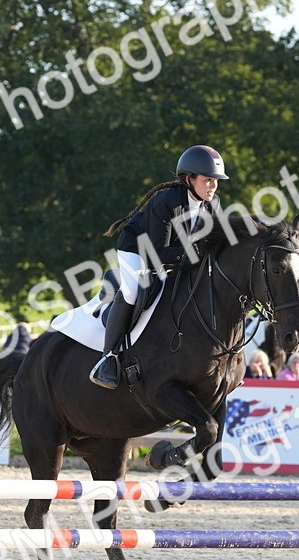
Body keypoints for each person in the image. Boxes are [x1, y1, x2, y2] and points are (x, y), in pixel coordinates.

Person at [90, 144, 226, 388]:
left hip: (175, 253)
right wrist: (195, 253)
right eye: (207, 180)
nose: (213, 185)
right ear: (189, 179)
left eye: (216, 180)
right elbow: (156, 254)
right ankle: (107, 358)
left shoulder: (212, 204)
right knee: (134, 290)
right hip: (138, 250)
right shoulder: (168, 201)